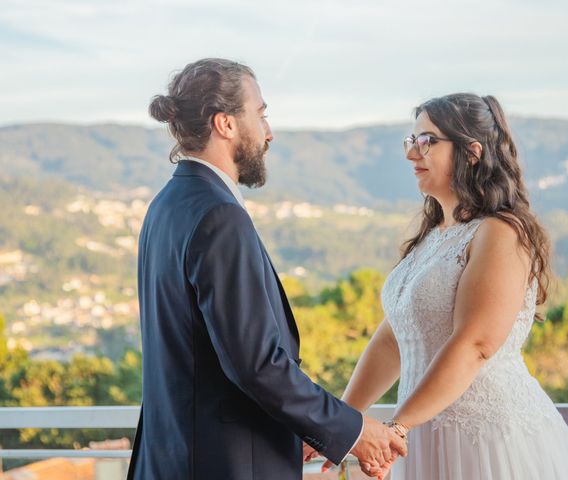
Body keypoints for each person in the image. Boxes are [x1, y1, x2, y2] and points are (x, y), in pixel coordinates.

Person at [126, 58, 406, 480]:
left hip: (170, 460)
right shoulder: (220, 216)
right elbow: (256, 365)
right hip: (225, 465)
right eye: (260, 114)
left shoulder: (165, 205)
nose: (269, 131)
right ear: (226, 124)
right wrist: (352, 430)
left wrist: (308, 426)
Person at [330, 93, 568, 479]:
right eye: (411, 140)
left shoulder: (501, 232)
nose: (411, 154)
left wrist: (398, 428)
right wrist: (338, 424)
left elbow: (476, 344)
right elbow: (393, 339)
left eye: (427, 142)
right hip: (422, 435)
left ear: (471, 152)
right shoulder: (433, 236)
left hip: (488, 441)